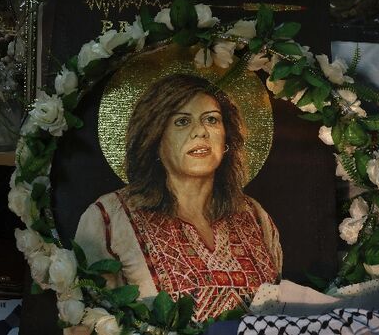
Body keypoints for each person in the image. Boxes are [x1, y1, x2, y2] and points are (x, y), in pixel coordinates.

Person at [75, 74, 282, 321]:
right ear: (155, 138)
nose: (200, 132)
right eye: (182, 122)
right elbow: (94, 319)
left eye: (212, 120)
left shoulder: (254, 215)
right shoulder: (109, 218)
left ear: (226, 138)